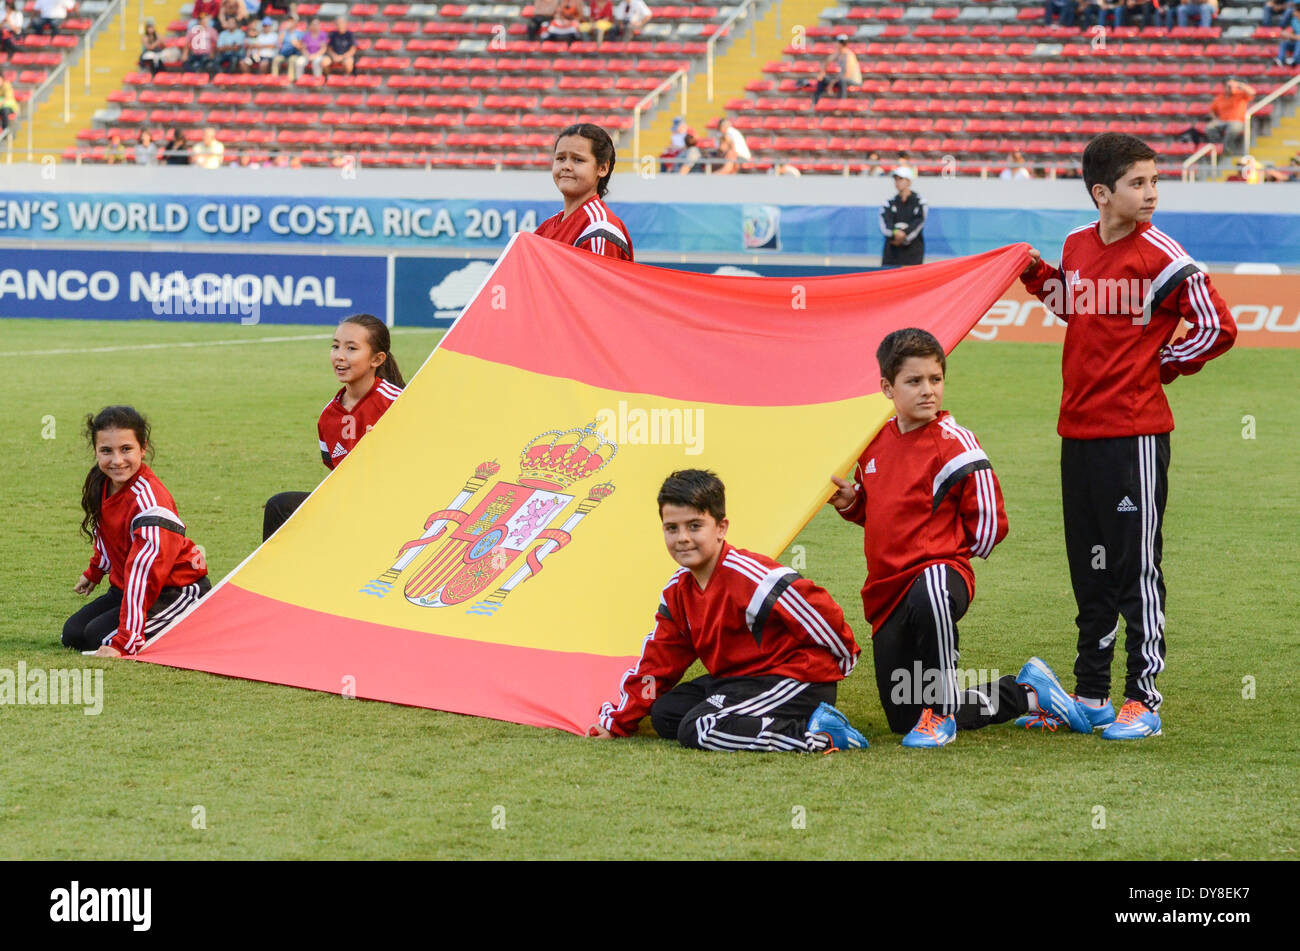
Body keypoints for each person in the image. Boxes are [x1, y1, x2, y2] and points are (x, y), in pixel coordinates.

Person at [1018, 133, 1237, 740]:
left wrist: (1161, 365)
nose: (1151, 194)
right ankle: (1090, 694)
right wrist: (1038, 276)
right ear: (1101, 193)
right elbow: (1075, 305)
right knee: (1088, 569)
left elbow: (1219, 326)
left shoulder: (1161, 253)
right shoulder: (1076, 245)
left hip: (1134, 433)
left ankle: (1143, 698)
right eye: (1138, 184)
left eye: (1154, 182)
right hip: (1077, 428)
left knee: (1135, 565)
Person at [828, 329, 1087, 747]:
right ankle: (1028, 693)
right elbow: (884, 515)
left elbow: (991, 523)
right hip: (886, 592)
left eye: (936, 379)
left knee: (930, 586)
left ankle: (942, 716)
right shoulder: (873, 444)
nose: (928, 391)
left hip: (941, 577)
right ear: (887, 388)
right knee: (903, 717)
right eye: (914, 382)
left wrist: (942, 551)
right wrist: (852, 502)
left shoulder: (955, 442)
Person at [589, 469, 867, 753]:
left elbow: (821, 613)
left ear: (721, 528)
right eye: (672, 528)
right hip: (738, 682)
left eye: (695, 526)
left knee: (699, 728)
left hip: (795, 680)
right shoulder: (678, 591)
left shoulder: (753, 577)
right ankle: (763, 721)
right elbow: (658, 662)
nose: (682, 537)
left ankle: (823, 738)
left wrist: (832, 669)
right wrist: (619, 722)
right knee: (665, 713)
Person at [63, 406, 210, 657]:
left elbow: (145, 577)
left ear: (143, 448)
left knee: (98, 638)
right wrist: (95, 571)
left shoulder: (151, 504)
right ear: (96, 451)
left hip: (173, 590)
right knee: (73, 634)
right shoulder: (101, 482)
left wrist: (123, 643)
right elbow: (107, 534)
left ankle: (195, 620)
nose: (117, 460)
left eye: (126, 449)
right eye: (106, 451)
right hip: (127, 588)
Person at [262, 315, 405, 540]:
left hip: (396, 506)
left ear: (376, 359)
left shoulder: (399, 404)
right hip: (350, 504)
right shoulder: (328, 416)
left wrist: (383, 449)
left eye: (351, 348)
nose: (339, 356)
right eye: (335, 346)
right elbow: (336, 470)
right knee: (280, 506)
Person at [534, 122, 634, 261]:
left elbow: (595, 283)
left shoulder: (599, 231)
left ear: (602, 168)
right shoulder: (545, 228)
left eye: (578, 160)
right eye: (560, 158)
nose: (566, 166)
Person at [879, 165, 926, 267]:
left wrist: (904, 236)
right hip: (892, 251)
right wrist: (895, 233)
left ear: (909, 181)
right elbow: (886, 223)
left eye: (901, 179)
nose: (897, 182)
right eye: (895, 179)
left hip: (912, 252)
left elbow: (919, 222)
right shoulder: (889, 203)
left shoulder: (920, 202)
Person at [811, 35, 861, 107]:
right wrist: (822, 73)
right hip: (841, 79)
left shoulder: (849, 56)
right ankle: (816, 102)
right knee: (823, 79)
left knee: (842, 81)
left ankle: (841, 105)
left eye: (836, 42)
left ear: (840, 44)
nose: (834, 44)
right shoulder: (839, 53)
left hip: (853, 81)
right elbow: (826, 61)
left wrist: (832, 83)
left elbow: (847, 74)